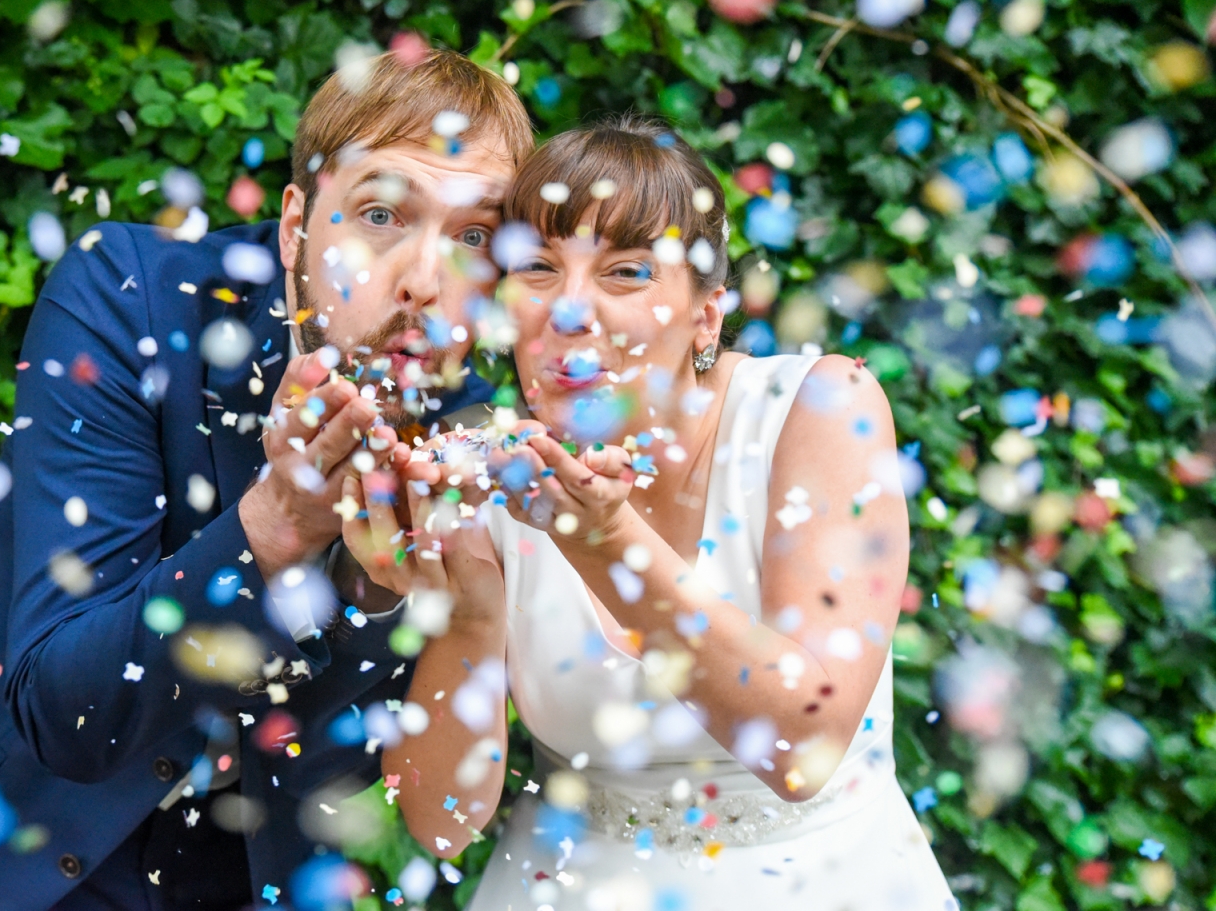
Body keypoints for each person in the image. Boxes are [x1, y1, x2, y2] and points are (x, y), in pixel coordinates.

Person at [0, 47, 534, 911]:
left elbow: (326, 770)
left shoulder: (461, 436)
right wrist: (276, 525)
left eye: (474, 236)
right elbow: (68, 713)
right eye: (380, 213)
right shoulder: (133, 297)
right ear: (295, 226)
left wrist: (373, 598)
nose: (428, 284)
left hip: (233, 878)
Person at [342, 114, 957, 910]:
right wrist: (465, 614)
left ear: (707, 314)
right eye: (536, 267)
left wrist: (600, 538)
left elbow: (803, 748)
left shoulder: (819, 409)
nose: (569, 311)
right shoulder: (482, 467)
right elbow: (442, 826)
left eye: (626, 272)